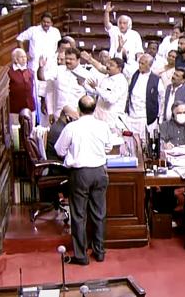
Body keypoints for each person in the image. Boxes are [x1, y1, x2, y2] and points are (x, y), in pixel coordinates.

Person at [54, 96, 113, 265]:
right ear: (94, 109)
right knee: (99, 214)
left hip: (80, 174)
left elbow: (59, 150)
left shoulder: (71, 127)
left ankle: (81, 256)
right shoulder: (103, 126)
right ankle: (99, 252)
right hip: (100, 173)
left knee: (79, 215)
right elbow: (108, 147)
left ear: (78, 110)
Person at [38, 48, 95, 119]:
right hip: (59, 115)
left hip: (77, 115)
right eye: (66, 58)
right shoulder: (58, 70)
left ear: (78, 60)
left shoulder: (86, 74)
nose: (68, 61)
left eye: (71, 59)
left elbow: (92, 95)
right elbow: (42, 77)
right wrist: (41, 67)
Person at [124, 54, 165, 136]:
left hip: (146, 117)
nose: (139, 65)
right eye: (139, 63)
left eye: (142, 64)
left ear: (149, 65)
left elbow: (162, 99)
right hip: (131, 116)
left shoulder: (156, 80)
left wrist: (159, 116)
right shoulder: (134, 74)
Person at [85, 58, 128, 130]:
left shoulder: (121, 82)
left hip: (111, 121)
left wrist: (97, 88)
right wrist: (83, 84)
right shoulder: (106, 77)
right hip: (98, 117)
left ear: (119, 69)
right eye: (108, 64)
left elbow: (111, 99)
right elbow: (96, 93)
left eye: (111, 65)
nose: (108, 66)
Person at [7, 49, 36, 117]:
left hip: (30, 107)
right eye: (21, 57)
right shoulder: (9, 72)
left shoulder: (29, 71)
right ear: (15, 59)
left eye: (25, 57)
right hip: (16, 110)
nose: (24, 59)